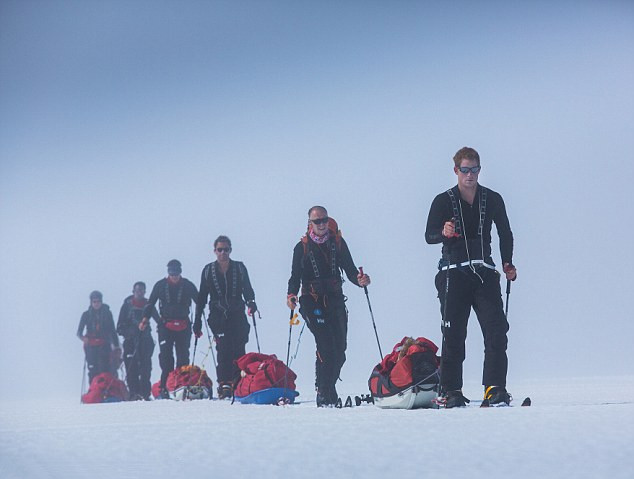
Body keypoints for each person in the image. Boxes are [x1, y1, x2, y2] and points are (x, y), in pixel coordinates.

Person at [425, 147, 517, 408]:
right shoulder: (443, 200)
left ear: (479, 170)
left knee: (497, 330)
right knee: (453, 335)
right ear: (456, 171)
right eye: (465, 170)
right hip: (452, 273)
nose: (470, 175)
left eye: (474, 169)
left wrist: (507, 262)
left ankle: (495, 388)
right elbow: (428, 236)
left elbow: (505, 233)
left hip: (484, 271)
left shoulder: (493, 198)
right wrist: (444, 232)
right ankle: (452, 390)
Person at [287, 206, 370, 407]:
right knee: (325, 344)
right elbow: (295, 277)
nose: (322, 224)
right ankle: (324, 391)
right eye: (317, 221)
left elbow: (350, 270)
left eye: (324, 220)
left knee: (340, 348)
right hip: (311, 301)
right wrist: (291, 295)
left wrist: (359, 280)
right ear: (310, 224)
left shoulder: (338, 244)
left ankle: (328, 386)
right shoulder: (302, 248)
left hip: (335, 300)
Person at [194, 236, 257, 399]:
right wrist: (197, 322)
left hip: (237, 313)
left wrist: (251, 303)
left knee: (239, 349)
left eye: (226, 249)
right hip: (217, 316)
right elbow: (202, 297)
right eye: (220, 249)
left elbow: (247, 288)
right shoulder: (208, 270)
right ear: (214, 251)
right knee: (223, 349)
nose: (223, 253)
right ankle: (224, 384)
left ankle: (238, 382)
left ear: (230, 250)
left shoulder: (240, 268)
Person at [139, 260, 198, 398]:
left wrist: (199, 322)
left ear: (180, 272)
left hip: (184, 325)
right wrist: (145, 320)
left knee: (183, 356)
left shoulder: (188, 285)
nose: (174, 276)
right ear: (168, 272)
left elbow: (199, 301)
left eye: (176, 272)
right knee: (166, 358)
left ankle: (182, 384)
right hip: (165, 326)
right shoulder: (160, 285)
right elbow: (150, 303)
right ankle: (165, 387)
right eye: (172, 273)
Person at [117, 281, 159, 400]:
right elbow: (119, 326)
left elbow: (158, 320)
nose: (139, 292)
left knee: (146, 368)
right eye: (137, 290)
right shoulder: (127, 306)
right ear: (133, 291)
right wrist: (131, 331)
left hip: (145, 341)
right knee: (131, 368)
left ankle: (145, 394)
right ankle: (133, 393)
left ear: (145, 292)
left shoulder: (148, 305)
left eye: (142, 290)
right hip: (130, 341)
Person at [77, 291, 120, 383]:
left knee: (104, 369)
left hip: (104, 344)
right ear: (91, 302)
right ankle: (94, 391)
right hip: (91, 346)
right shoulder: (86, 315)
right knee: (93, 370)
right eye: (94, 302)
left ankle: (104, 391)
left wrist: (116, 346)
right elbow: (79, 332)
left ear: (101, 301)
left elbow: (112, 330)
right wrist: (83, 338)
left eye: (98, 301)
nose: (96, 304)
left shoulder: (107, 313)